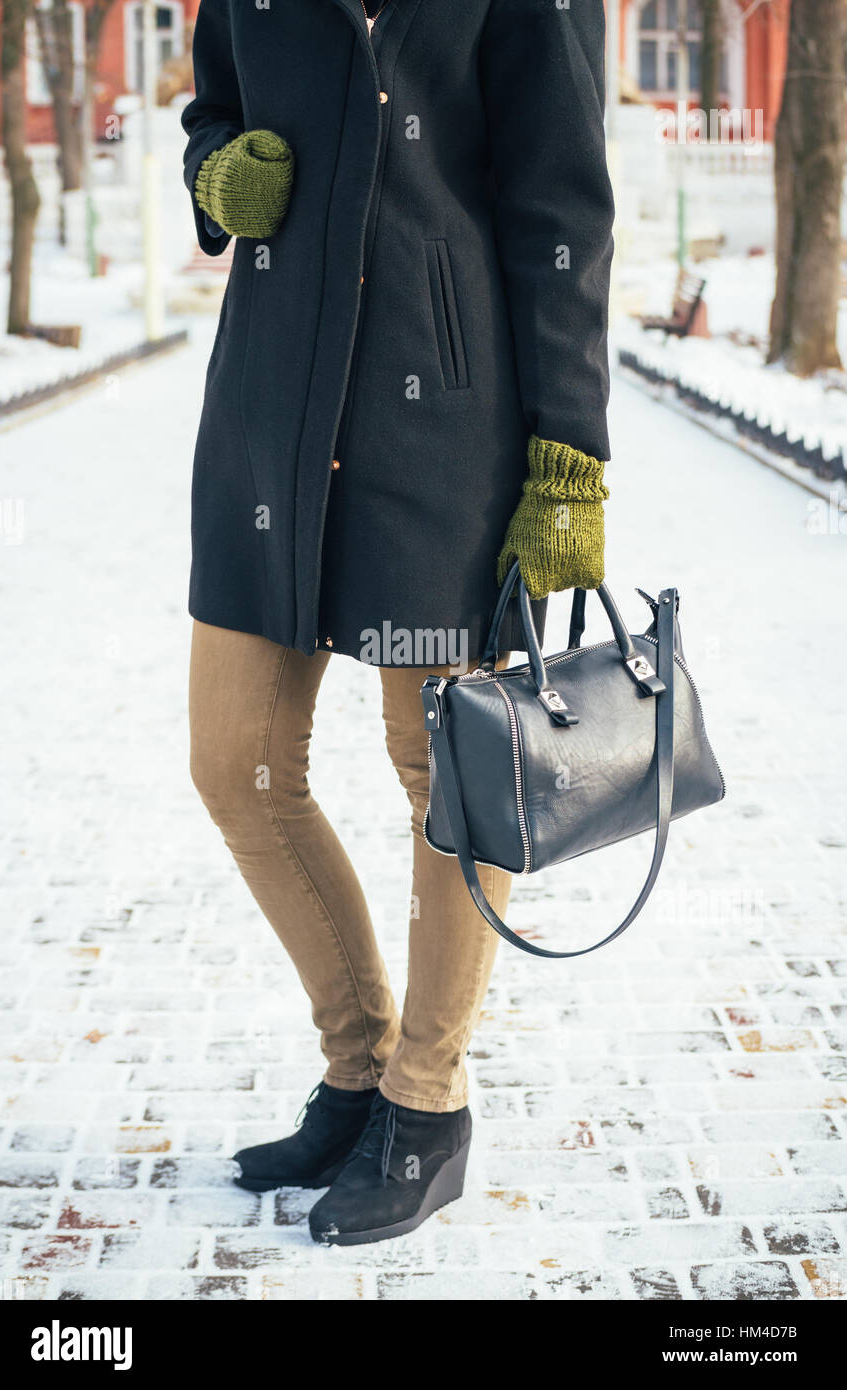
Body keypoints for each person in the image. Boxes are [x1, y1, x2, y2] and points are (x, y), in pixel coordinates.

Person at [182, 0, 614, 1247]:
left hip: (442, 436)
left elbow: (561, 214)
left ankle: (426, 1104)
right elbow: (212, 105)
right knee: (236, 761)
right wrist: (220, 173)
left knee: (445, 773)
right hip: (269, 415)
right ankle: (359, 1064)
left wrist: (567, 463)